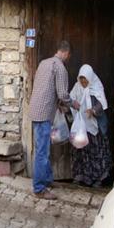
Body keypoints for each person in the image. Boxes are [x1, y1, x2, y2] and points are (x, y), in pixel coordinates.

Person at [29, 40, 80, 200]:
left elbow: (45, 87)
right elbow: (63, 93)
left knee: (43, 149)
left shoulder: (44, 63)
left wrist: (56, 102)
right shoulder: (60, 68)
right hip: (44, 113)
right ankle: (39, 189)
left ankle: (47, 180)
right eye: (69, 55)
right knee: (42, 152)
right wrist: (73, 103)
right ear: (66, 53)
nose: (68, 58)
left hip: (36, 110)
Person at [70, 64, 113, 187]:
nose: (83, 82)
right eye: (81, 79)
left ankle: (99, 179)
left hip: (94, 127)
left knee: (96, 152)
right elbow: (71, 99)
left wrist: (93, 110)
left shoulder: (96, 86)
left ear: (90, 78)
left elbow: (101, 103)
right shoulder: (77, 87)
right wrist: (69, 105)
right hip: (81, 127)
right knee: (81, 151)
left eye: (85, 79)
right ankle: (81, 177)